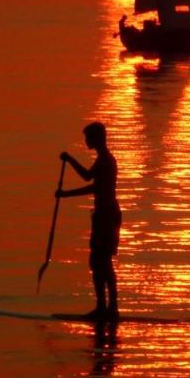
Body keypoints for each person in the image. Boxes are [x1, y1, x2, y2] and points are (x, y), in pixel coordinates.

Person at [58, 122, 121, 320]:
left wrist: (66, 194)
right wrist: (69, 160)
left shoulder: (106, 161)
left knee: (100, 262)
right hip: (105, 215)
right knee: (100, 262)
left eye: (88, 138)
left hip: (106, 216)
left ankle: (107, 308)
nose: (85, 141)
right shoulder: (103, 160)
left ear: (96, 139)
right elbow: (87, 177)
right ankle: (107, 307)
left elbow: (94, 187)